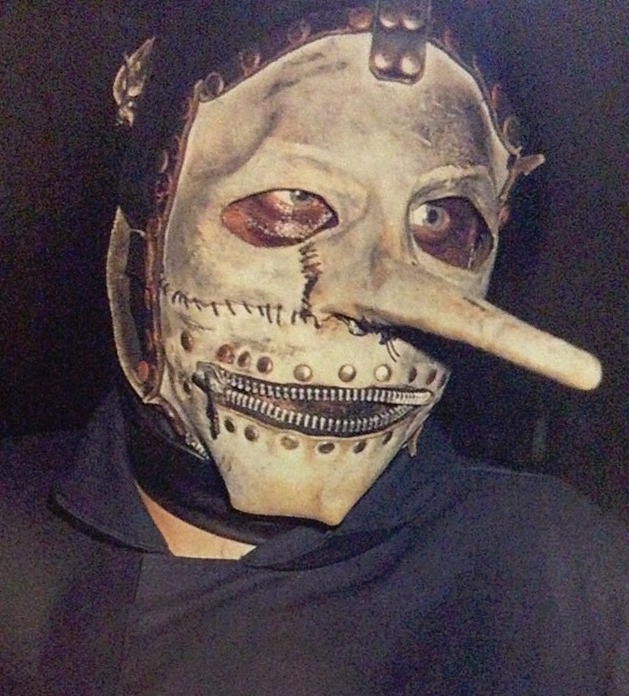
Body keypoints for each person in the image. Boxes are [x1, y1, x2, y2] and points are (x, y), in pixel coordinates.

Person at [1, 2, 626, 694]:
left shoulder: (556, 575)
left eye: (437, 218)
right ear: (140, 244)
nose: (369, 301)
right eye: (293, 201)